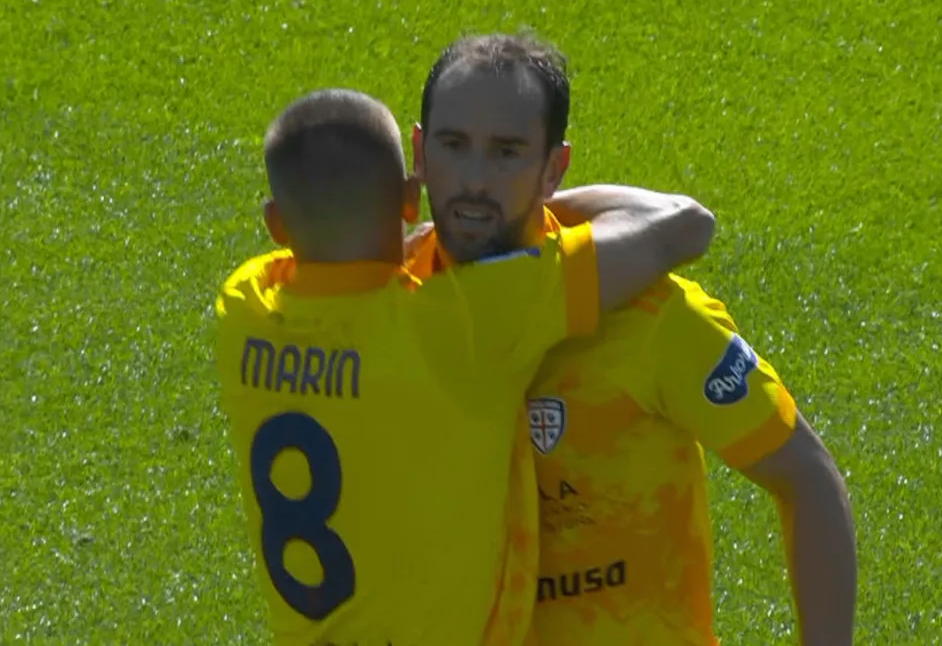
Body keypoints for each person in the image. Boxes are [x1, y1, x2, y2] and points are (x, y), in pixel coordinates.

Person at [214, 88, 716, 646]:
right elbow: (681, 225)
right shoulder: (462, 322)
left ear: (275, 223)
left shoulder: (242, 310)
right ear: (411, 199)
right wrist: (502, 206)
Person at [407, 33, 858, 646]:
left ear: (553, 169)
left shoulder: (648, 316)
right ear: (420, 152)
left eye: (507, 153)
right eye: (453, 145)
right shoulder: (392, 303)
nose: (475, 180)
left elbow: (807, 478)